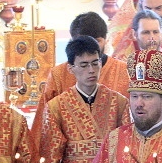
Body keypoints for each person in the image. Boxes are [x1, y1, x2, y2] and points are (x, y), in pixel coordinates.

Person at [28, 11, 130, 155]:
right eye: (83, 65)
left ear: (106, 39)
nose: (89, 46)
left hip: (112, 160)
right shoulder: (59, 74)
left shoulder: (124, 72)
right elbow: (43, 129)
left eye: (97, 41)